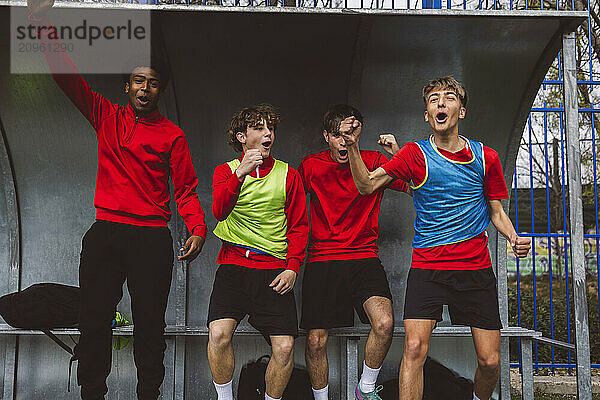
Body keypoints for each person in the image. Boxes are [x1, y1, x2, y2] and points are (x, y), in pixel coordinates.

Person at [26, 2, 207, 399]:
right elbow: (66, 76)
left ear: (160, 90)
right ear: (127, 86)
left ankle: (149, 395)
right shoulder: (106, 115)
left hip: (151, 238)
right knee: (93, 323)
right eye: (138, 81)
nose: (145, 88)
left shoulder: (172, 135)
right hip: (106, 234)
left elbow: (187, 190)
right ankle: (93, 392)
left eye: (153, 83)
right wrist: (39, 22)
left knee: (149, 329)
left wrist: (197, 229)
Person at [340, 77, 531, 400]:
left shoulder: (487, 158)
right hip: (428, 267)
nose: (441, 103)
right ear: (427, 115)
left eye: (449, 98)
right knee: (414, 349)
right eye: (433, 100)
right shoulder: (414, 154)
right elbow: (366, 185)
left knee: (490, 361)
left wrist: (513, 237)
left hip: (474, 269)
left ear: (462, 110)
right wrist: (354, 146)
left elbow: (496, 211)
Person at [299, 105, 409, 400]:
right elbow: (287, 207)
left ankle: (365, 389)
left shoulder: (375, 160)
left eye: (351, 134)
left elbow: (415, 188)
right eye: (338, 135)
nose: (344, 142)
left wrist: (398, 156)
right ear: (327, 137)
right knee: (315, 342)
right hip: (323, 259)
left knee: (385, 324)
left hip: (363, 256)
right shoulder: (310, 166)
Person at [207, 104, 308, 400]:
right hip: (233, 267)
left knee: (285, 348)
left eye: (271, 128)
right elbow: (219, 212)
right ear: (241, 136)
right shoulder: (225, 171)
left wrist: (292, 267)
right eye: (259, 128)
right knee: (218, 335)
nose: (268, 134)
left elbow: (299, 225)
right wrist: (239, 175)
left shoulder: (288, 174)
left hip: (273, 271)